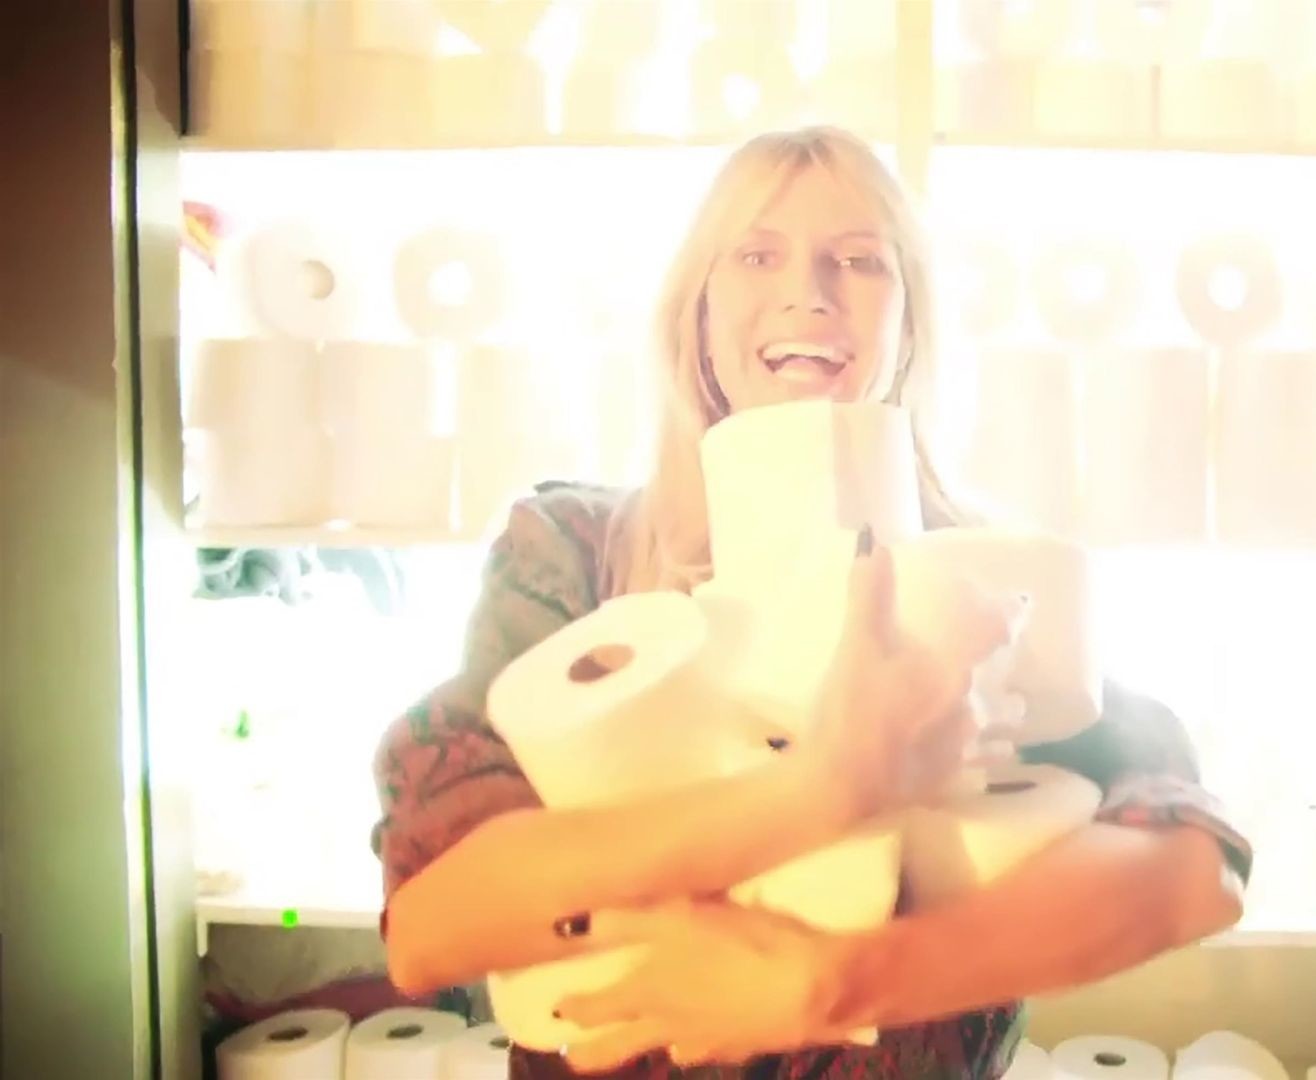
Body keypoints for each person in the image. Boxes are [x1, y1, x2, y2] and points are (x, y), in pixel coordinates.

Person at [372, 126, 1254, 1079]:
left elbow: (1194, 874)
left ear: (910, 323)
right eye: (757, 256)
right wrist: (831, 785)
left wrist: (838, 985)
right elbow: (430, 931)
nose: (809, 292)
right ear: (697, 314)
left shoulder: (982, 574)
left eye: (860, 261)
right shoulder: (574, 555)